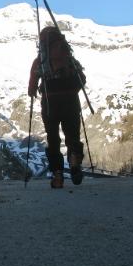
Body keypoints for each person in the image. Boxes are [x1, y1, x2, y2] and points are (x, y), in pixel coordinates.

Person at [28, 26, 86, 189]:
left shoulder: (40, 59)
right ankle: (74, 160)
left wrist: (33, 91)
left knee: (53, 139)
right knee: (72, 135)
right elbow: (82, 78)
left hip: (50, 103)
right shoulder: (68, 57)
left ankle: (58, 175)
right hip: (71, 102)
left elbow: (32, 86)